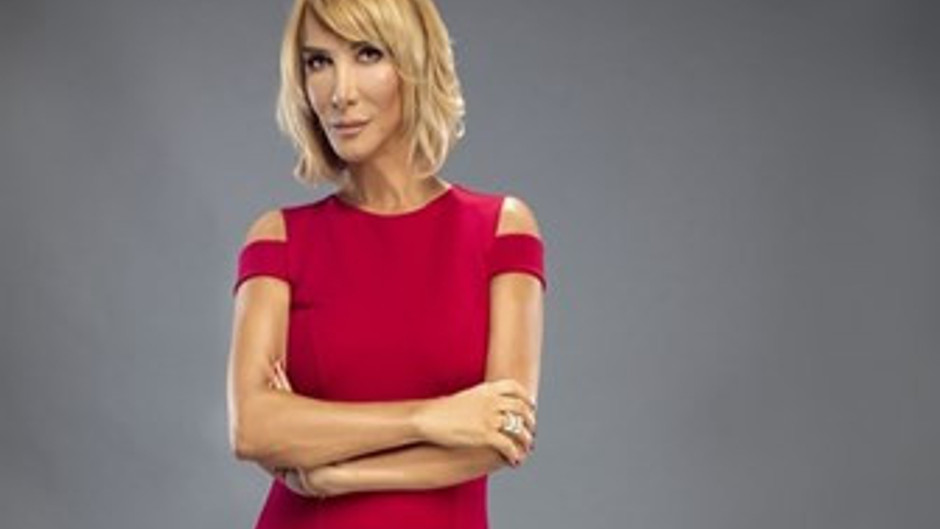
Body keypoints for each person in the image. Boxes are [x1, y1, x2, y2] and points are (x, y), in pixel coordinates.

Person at [226, 0, 548, 527]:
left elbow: (503, 434)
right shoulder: (279, 237)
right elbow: (253, 427)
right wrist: (432, 417)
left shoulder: (501, 228)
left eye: (367, 54)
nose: (340, 91)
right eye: (318, 62)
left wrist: (335, 477)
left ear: (415, 64)